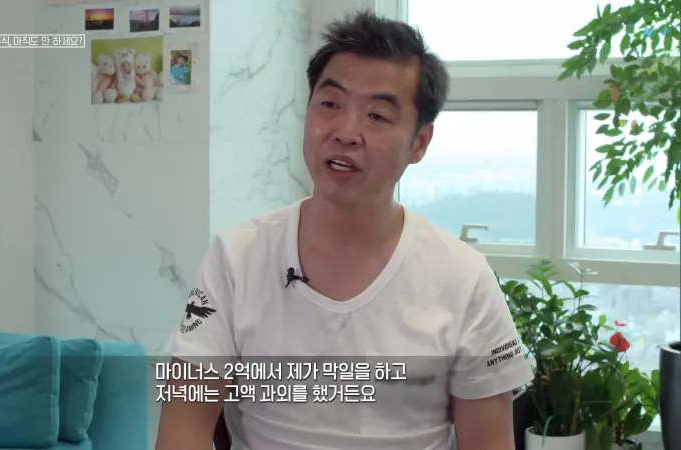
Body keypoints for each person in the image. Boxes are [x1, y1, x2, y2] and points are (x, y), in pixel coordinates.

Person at [157, 11, 532, 450]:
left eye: (377, 115)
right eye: (330, 105)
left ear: (419, 143)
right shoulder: (236, 257)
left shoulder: (464, 279)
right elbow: (182, 426)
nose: (346, 132)